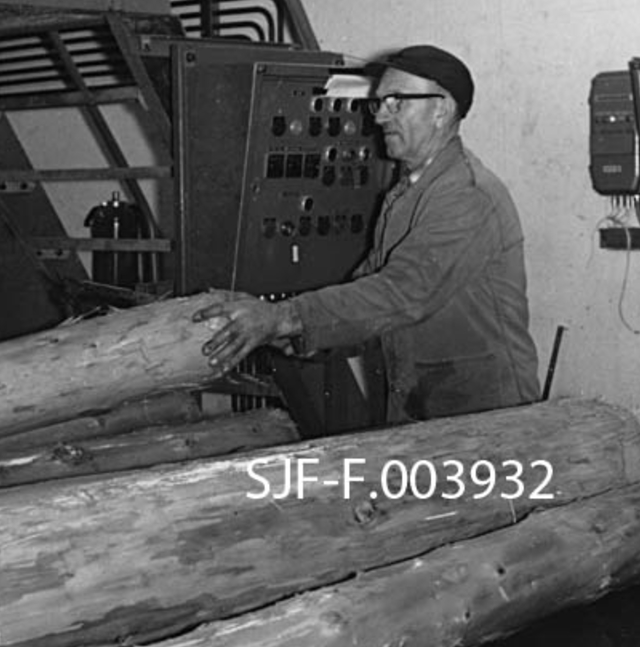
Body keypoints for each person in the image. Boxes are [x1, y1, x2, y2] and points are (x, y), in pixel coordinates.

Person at [195, 44, 540, 423]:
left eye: (396, 102)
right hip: (421, 405)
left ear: (440, 109)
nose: (380, 117)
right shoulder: (406, 191)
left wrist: (283, 317)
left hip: (484, 413)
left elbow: (403, 293)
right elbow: (370, 287)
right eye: (379, 103)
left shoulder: (466, 195)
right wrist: (293, 335)